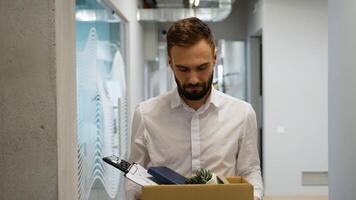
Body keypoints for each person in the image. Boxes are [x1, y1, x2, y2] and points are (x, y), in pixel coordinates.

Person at [125, 17, 263, 200]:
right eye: (183, 69)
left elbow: (250, 170)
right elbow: (134, 176)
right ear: (170, 63)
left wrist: (254, 196)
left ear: (214, 58)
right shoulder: (145, 114)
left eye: (202, 67)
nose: (193, 79)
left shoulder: (242, 114)